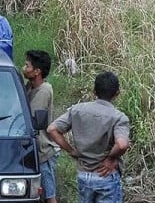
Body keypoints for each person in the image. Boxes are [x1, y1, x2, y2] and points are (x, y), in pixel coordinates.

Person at [48, 72, 130, 203]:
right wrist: (110, 159)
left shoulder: (77, 110)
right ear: (117, 93)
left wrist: (71, 151)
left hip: (84, 174)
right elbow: (122, 144)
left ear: (94, 91)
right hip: (106, 176)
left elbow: (52, 129)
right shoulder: (118, 117)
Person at [22, 50, 58, 203]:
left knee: (49, 195)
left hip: (42, 151)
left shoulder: (43, 90)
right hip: (35, 148)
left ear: (37, 72)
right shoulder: (30, 86)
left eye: (27, 65)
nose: (24, 68)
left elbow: (29, 117)